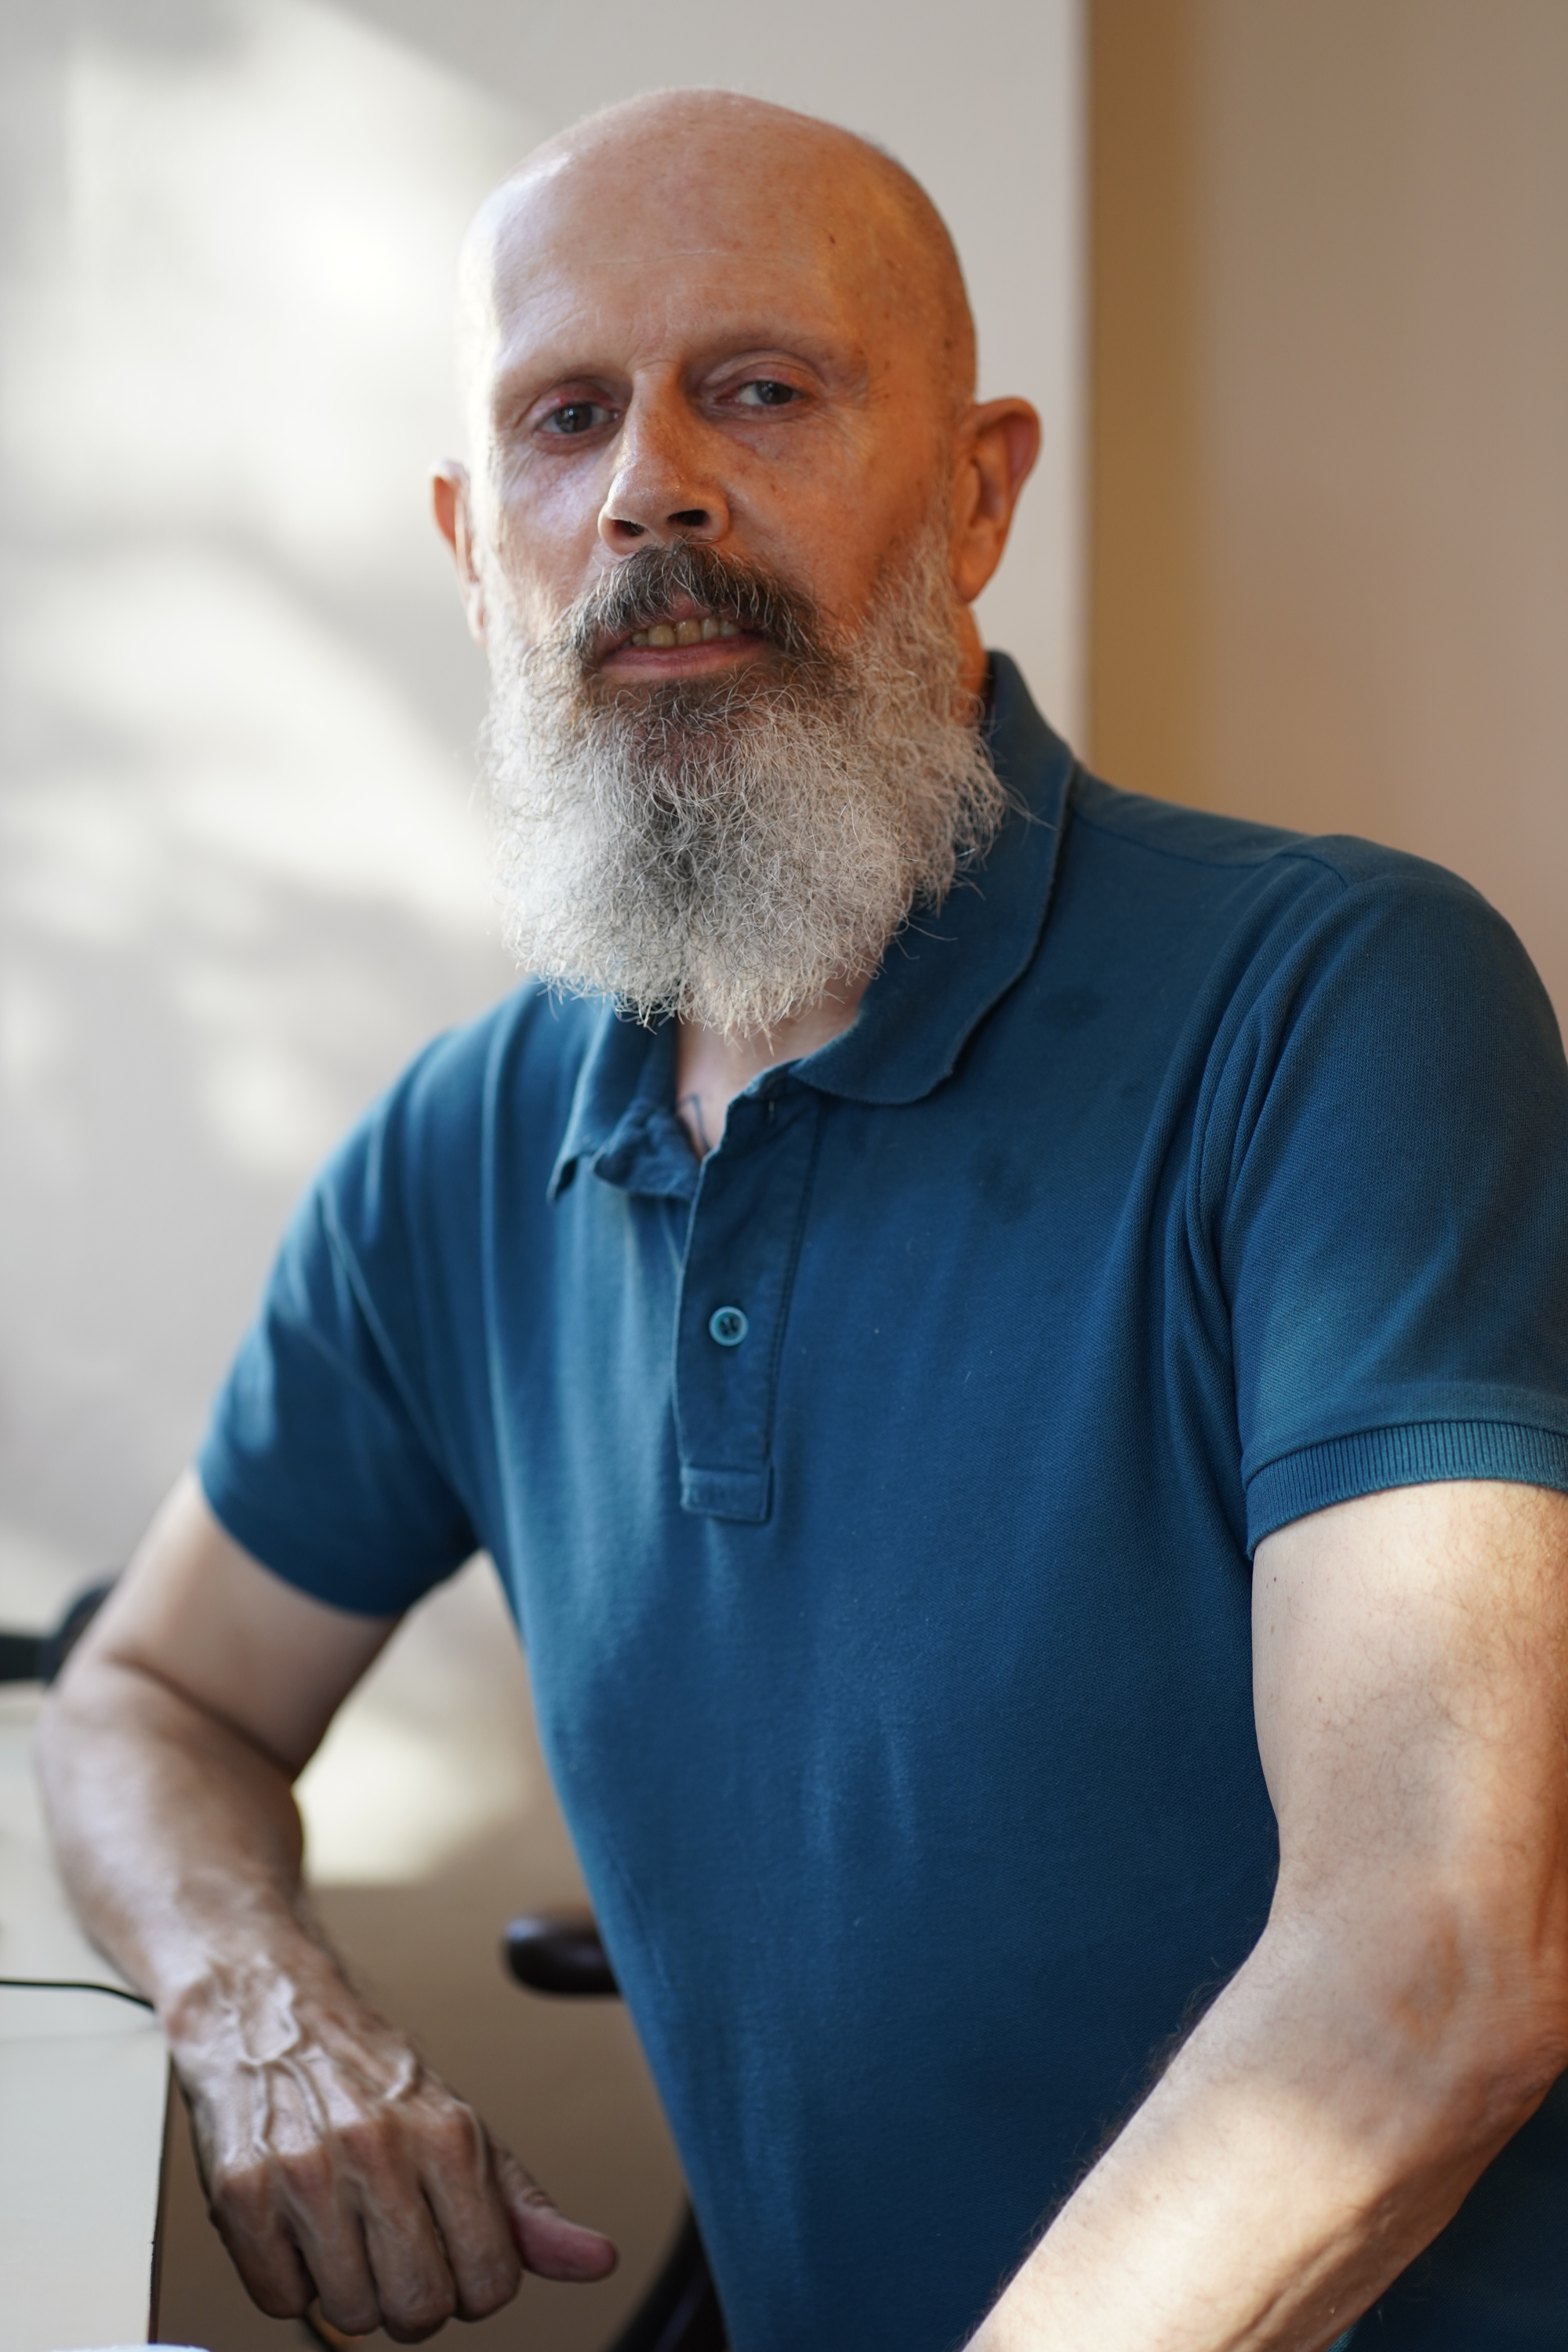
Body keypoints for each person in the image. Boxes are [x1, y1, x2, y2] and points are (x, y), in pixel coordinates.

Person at [37, 87, 1568, 2352]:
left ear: (978, 493)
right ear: (474, 548)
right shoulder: (454, 1156)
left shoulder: (1341, 1005)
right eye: (566, 418)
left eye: (759, 389)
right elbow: (146, 1695)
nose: (650, 486)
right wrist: (256, 2005)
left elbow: (1432, 1965)